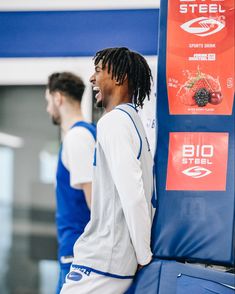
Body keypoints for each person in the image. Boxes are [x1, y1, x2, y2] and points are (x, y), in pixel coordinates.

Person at [61, 47, 154, 294]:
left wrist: (144, 256)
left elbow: (133, 197)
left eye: (99, 71)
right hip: (115, 261)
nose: (92, 78)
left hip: (102, 261)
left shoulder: (113, 122)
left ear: (119, 77)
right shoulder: (133, 122)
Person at [45, 72, 96, 294]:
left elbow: (95, 202)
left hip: (78, 255)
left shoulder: (78, 138)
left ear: (58, 98)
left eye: (48, 101)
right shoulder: (88, 134)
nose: (48, 109)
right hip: (78, 252)